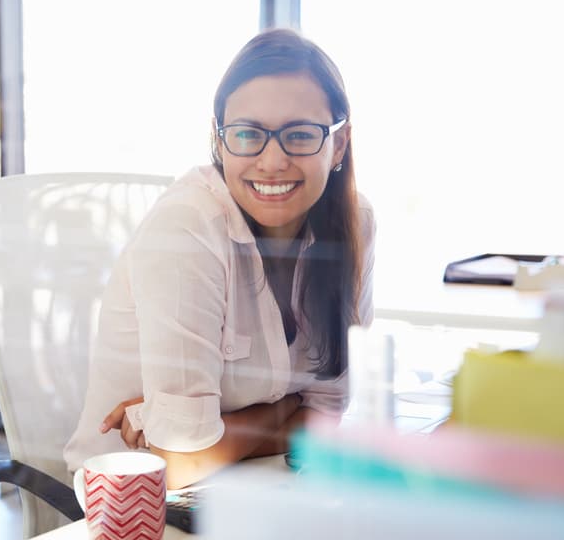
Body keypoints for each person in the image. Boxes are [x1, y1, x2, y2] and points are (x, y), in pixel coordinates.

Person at [64, 29, 375, 489]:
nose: (272, 161)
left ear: (340, 144)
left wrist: (222, 437)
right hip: (127, 510)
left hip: (262, 488)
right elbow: (179, 465)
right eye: (248, 134)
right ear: (219, 138)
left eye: (300, 135)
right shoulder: (188, 227)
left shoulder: (355, 224)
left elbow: (328, 415)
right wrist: (286, 411)